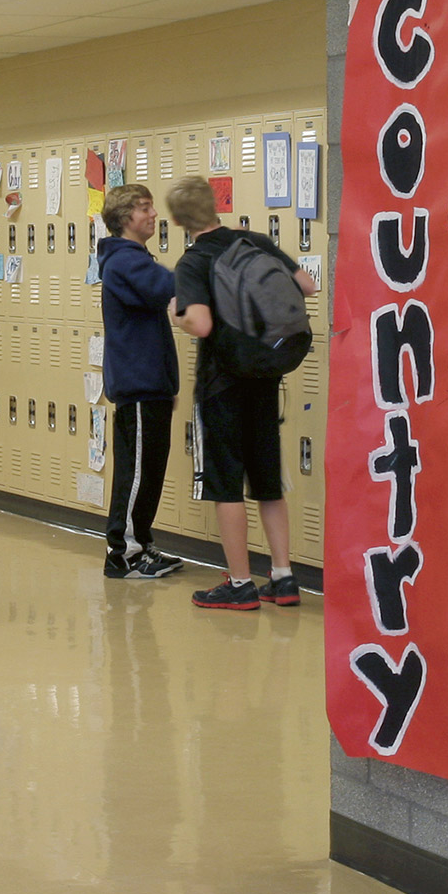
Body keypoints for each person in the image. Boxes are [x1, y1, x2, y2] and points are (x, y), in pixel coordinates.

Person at [166, 175, 318, 611]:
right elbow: (307, 284)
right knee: (268, 480)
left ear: (178, 220)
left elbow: (201, 323)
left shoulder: (193, 261)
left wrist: (177, 315)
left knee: (227, 483)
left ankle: (238, 582)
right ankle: (284, 577)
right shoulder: (251, 240)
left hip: (222, 382)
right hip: (265, 377)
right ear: (214, 206)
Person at [97, 184, 184, 580]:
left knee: (149, 471)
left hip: (152, 383)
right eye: (144, 209)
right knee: (135, 473)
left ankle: (141, 543)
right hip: (138, 385)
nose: (153, 215)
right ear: (124, 218)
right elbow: (168, 286)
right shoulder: (124, 261)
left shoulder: (135, 258)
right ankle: (123, 553)